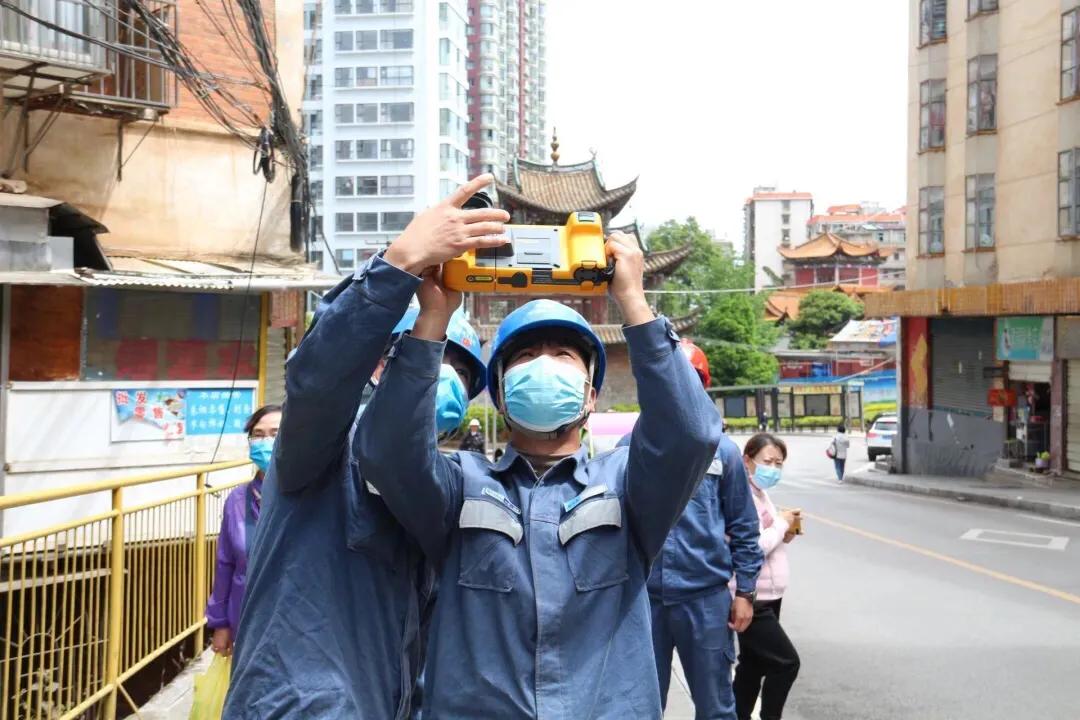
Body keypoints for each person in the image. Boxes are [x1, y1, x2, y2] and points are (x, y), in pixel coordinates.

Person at [356, 231, 723, 718]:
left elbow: (693, 434)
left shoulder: (628, 486)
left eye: (564, 356)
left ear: (591, 395)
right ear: (500, 395)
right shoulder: (460, 486)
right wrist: (432, 319)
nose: (544, 366)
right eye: (526, 358)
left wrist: (633, 300)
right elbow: (385, 451)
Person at [224, 174, 504, 719]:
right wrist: (399, 262)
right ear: (376, 363)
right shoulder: (320, 446)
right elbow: (318, 377)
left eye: (459, 371)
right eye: (421, 354)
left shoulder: (437, 484)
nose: (441, 376)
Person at [619, 339, 763, 719]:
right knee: (640, 705)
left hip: (706, 599)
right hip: (644, 599)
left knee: (715, 706)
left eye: (688, 381)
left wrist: (745, 592)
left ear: (700, 387)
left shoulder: (724, 453)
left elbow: (744, 527)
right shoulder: (629, 447)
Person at [204, 404, 282, 657]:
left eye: (275, 433)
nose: (265, 441)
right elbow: (225, 564)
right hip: (246, 628)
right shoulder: (238, 501)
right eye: (258, 435)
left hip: (296, 632)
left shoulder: (312, 497)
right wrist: (220, 624)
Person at [733, 433, 801, 720]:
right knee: (786, 662)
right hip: (751, 596)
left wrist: (784, 534)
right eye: (768, 461)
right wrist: (782, 523)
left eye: (779, 463)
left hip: (769, 594)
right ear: (748, 460)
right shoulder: (741, 495)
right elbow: (753, 546)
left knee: (754, 664)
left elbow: (767, 540)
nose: (773, 468)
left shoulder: (760, 493)